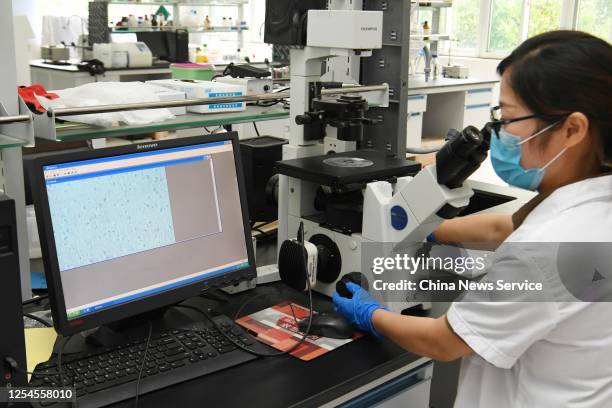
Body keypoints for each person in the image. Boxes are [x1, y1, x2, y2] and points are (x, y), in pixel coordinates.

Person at [333, 30, 612, 407]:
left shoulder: (543, 250)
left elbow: (443, 341)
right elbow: (507, 225)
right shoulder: (594, 197)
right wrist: (426, 230)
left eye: (509, 118)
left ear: (573, 129)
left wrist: (370, 313)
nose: (498, 132)